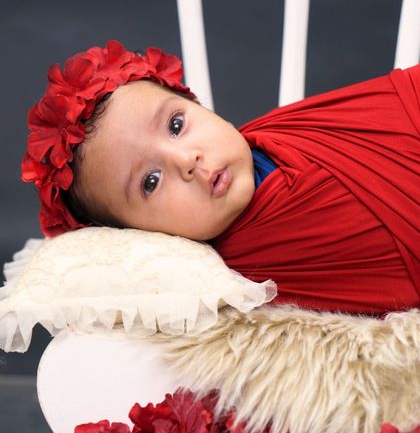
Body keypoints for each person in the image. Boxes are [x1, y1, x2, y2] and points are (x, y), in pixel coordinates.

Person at [22, 40, 420, 315]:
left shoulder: (292, 130)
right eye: (150, 182)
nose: (187, 161)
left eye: (176, 124)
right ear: (138, 234)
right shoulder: (227, 276)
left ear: (197, 105)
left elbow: (397, 103)